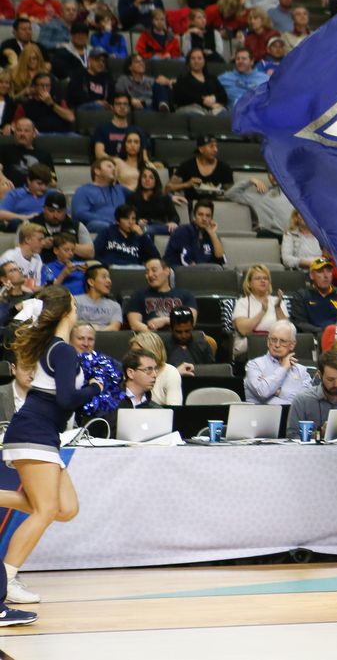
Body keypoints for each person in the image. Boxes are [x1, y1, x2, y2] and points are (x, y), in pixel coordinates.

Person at [0, 286, 102, 614]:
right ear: (66, 312)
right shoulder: (63, 350)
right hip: (35, 432)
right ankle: (8, 579)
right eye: (73, 303)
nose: (76, 307)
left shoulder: (54, 347)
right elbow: (66, 401)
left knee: (66, 508)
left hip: (42, 434)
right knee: (45, 510)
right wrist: (95, 387)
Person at [285, 351, 337, 439]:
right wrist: (320, 433)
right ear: (320, 375)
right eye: (330, 379)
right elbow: (292, 436)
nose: (336, 384)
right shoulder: (302, 400)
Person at [244, 320, 311, 405]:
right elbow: (263, 392)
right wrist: (284, 368)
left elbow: (306, 401)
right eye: (274, 340)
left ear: (292, 345)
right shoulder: (254, 365)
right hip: (261, 416)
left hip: (292, 417)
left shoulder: (301, 371)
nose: (277, 345)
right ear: (268, 342)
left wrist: (279, 392)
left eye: (283, 341)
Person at [124, 258, 196, 332]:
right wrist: (156, 336)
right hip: (150, 338)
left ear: (167, 271)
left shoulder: (185, 295)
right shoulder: (138, 295)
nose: (150, 275)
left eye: (154, 270)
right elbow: (135, 325)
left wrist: (165, 320)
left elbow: (191, 321)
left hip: (179, 337)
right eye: (147, 272)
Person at [230, 263, 285, 360]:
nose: (263, 280)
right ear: (249, 283)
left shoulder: (277, 301)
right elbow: (244, 330)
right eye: (258, 278)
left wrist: (277, 308)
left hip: (277, 347)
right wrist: (262, 312)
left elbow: (287, 330)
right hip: (250, 349)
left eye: (265, 278)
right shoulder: (243, 302)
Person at [290, 258, 337, 334]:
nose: (325, 275)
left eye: (328, 271)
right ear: (311, 275)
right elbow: (300, 323)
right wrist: (324, 332)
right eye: (320, 271)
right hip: (313, 337)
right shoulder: (301, 296)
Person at [162, 199, 225, 267]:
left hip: (204, 273)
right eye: (200, 214)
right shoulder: (182, 231)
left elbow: (220, 259)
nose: (204, 218)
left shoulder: (211, 234)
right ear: (194, 217)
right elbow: (185, 260)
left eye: (208, 216)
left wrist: (213, 234)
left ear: (211, 218)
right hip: (180, 271)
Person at [73, 265, 122, 331]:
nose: (109, 281)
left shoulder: (115, 306)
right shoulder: (75, 301)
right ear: (91, 282)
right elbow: (72, 324)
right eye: (104, 277)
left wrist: (95, 330)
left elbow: (114, 328)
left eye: (109, 277)